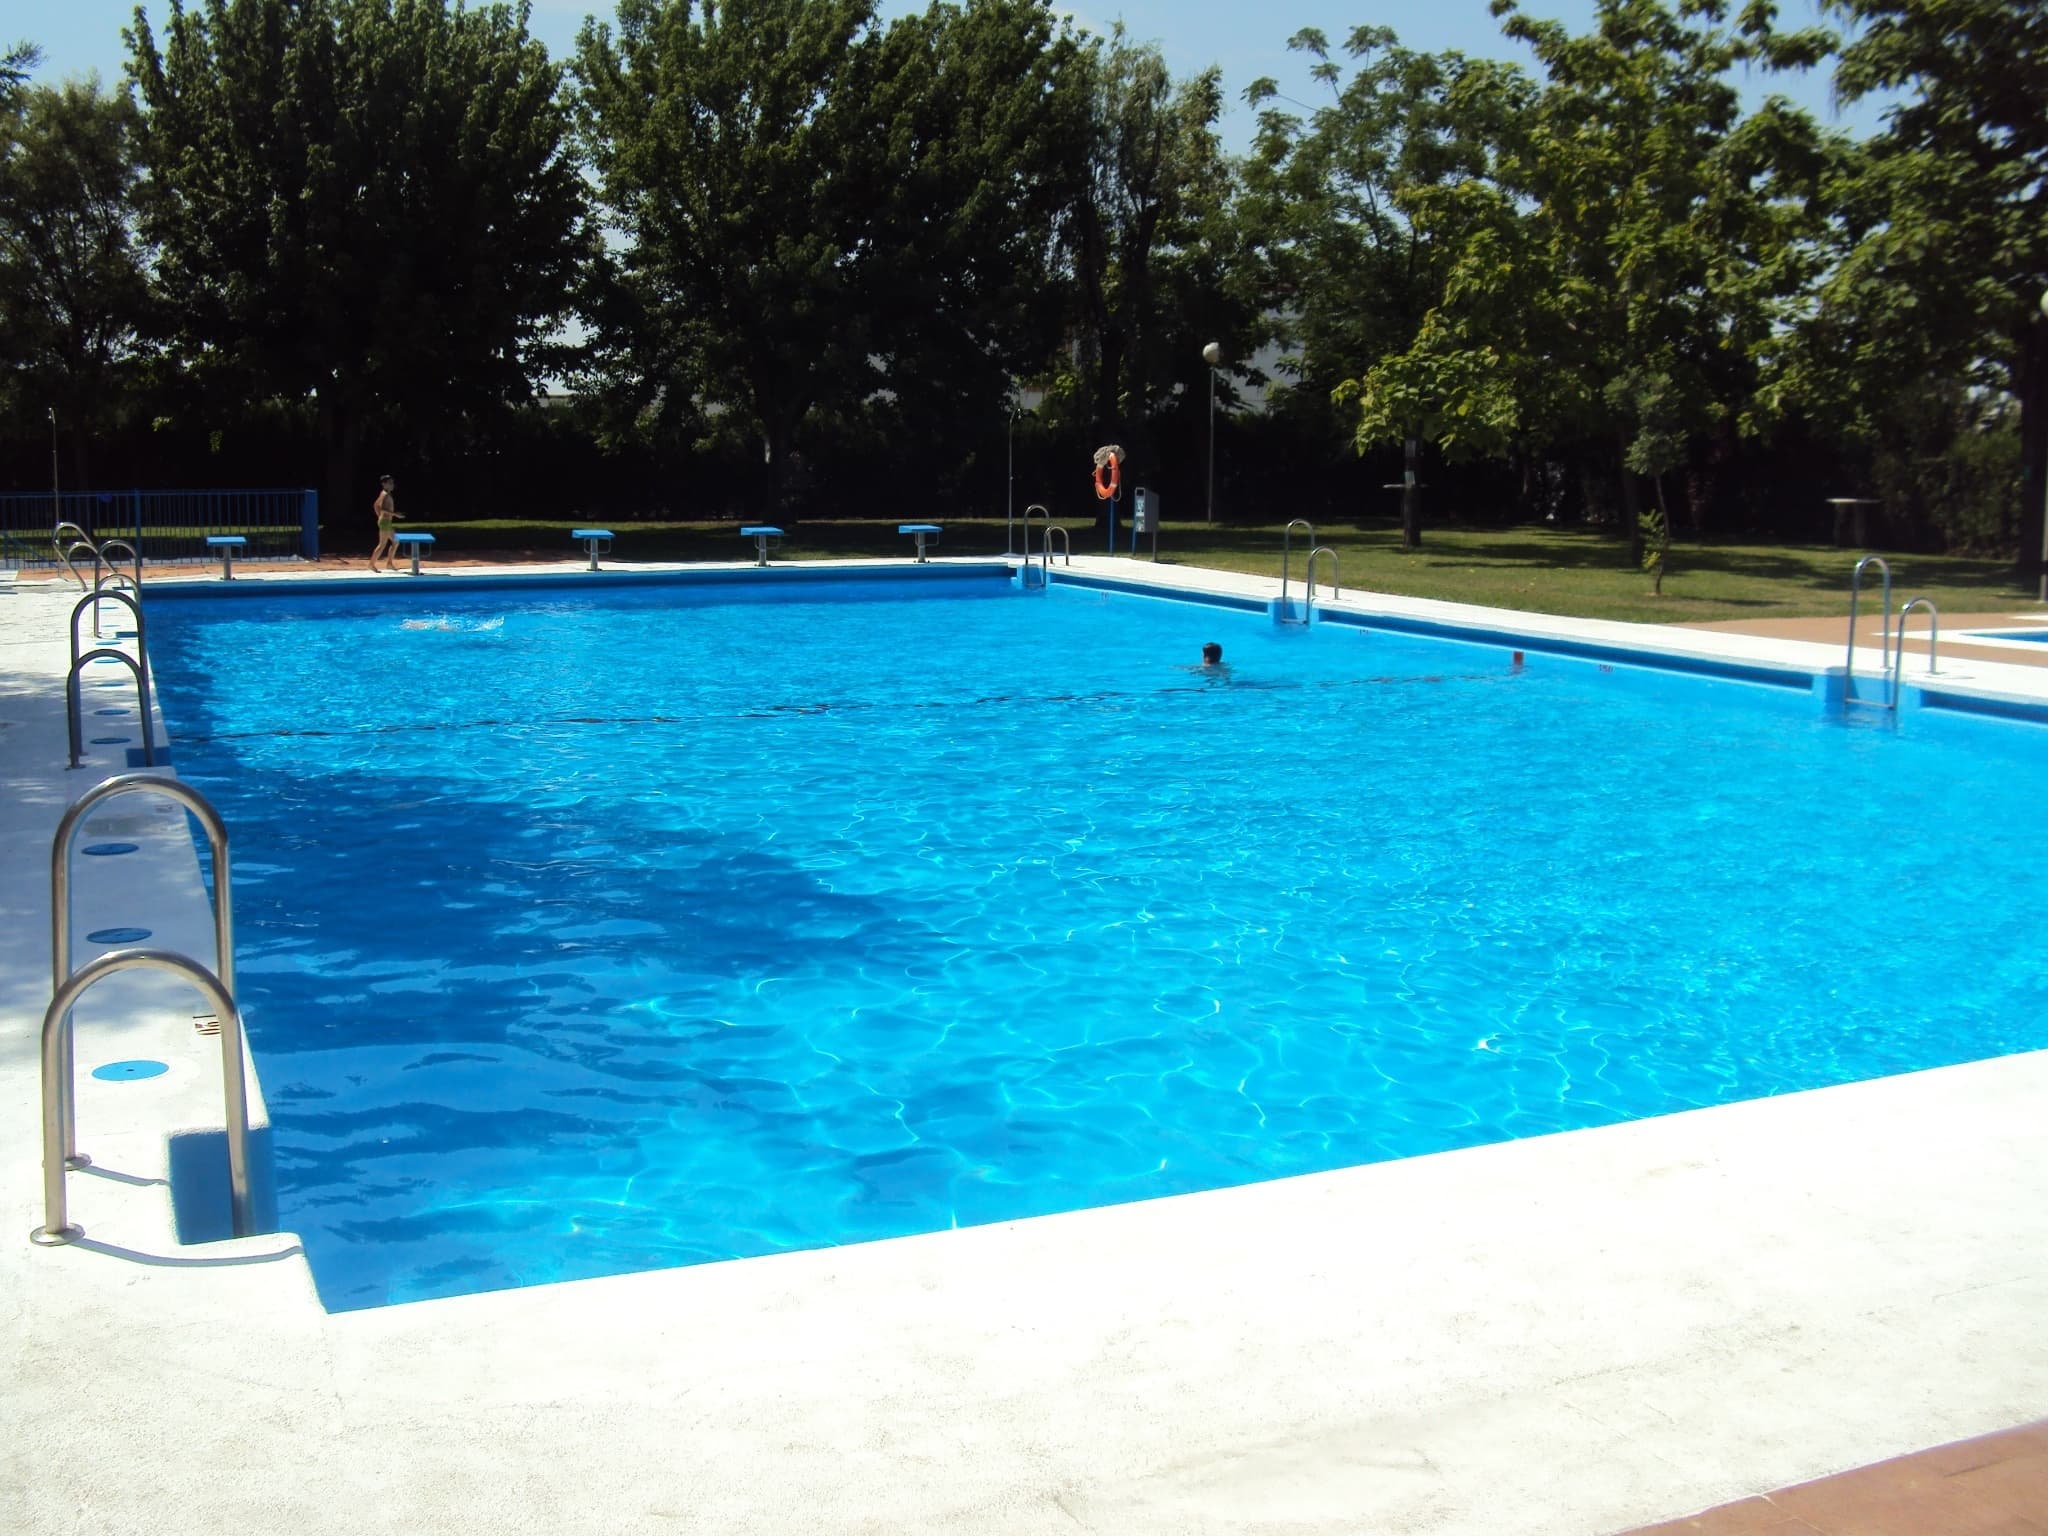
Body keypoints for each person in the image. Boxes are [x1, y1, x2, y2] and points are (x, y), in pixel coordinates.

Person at [369, 474, 403, 572]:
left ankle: (389, 563)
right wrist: (395, 514)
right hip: (385, 522)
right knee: (382, 544)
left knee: (396, 542)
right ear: (384, 484)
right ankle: (371, 564)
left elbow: (375, 505)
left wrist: (379, 516)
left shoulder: (384, 493)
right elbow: (382, 508)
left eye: (392, 483)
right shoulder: (385, 494)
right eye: (390, 483)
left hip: (386, 521)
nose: (392, 485)